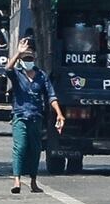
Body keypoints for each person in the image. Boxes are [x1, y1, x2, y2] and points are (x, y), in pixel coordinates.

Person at [6, 38, 65, 194]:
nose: (28, 61)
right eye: (25, 58)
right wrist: (17, 53)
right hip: (20, 116)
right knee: (20, 147)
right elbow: (7, 69)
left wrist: (59, 114)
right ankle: (17, 180)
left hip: (36, 117)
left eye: (30, 58)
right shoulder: (17, 74)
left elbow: (51, 96)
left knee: (35, 149)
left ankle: (33, 181)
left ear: (35, 58)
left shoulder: (41, 76)